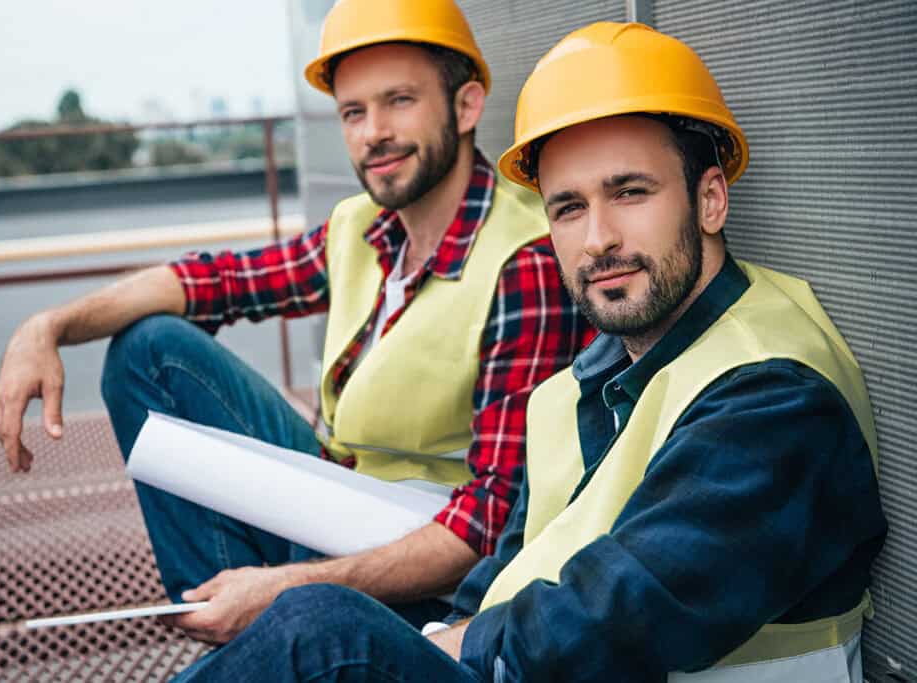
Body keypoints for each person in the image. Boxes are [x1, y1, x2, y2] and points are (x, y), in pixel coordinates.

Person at [176, 21, 888, 682]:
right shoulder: (599, 370)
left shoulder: (774, 391)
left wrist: (457, 643)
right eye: (569, 207)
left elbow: (631, 602)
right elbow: (520, 553)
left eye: (630, 192)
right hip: (529, 659)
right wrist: (451, 625)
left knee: (321, 628)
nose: (598, 238)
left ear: (709, 201)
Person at [0, 0, 590, 648]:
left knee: (279, 615)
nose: (373, 133)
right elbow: (211, 281)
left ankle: (269, 628)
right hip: (333, 502)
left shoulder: (521, 259)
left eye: (399, 101)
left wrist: (292, 586)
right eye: (353, 112)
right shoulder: (363, 226)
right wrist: (47, 326)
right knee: (149, 350)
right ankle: (237, 621)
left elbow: (487, 526)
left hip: (431, 572)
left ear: (467, 105)